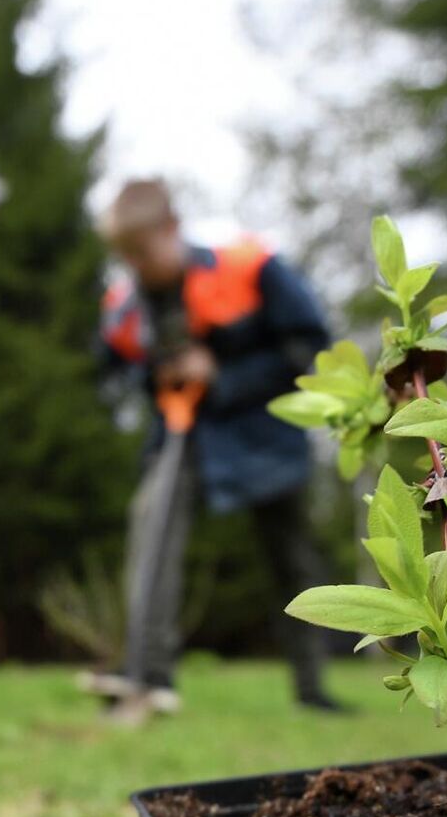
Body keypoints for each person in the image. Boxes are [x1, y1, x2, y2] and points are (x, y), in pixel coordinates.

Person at [89, 179, 342, 722]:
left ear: (172, 229)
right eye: (124, 255)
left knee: (290, 558)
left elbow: (308, 348)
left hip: (264, 434)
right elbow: (110, 363)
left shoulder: (249, 268)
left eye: (141, 250)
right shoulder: (126, 304)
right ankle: (148, 677)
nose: (135, 265)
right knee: (150, 528)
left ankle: (312, 687)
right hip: (183, 434)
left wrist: (221, 374)